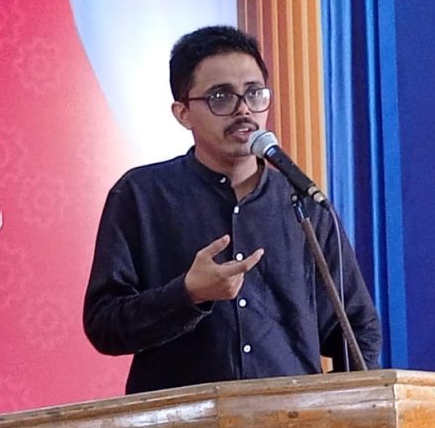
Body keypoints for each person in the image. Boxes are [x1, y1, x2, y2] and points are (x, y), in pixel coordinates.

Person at [83, 25, 382, 395]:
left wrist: (340, 408)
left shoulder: (304, 203)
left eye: (254, 93)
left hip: (290, 421)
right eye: (220, 96)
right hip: (181, 423)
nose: (243, 110)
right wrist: (187, 294)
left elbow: (357, 329)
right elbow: (104, 325)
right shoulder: (141, 196)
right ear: (183, 113)